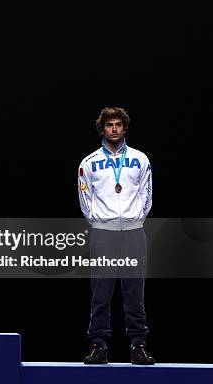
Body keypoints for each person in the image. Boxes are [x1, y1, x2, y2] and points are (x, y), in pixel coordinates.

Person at [78, 107, 155, 365]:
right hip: (104, 234)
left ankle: (138, 346)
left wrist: (135, 220)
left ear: (124, 128)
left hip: (134, 233)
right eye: (109, 125)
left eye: (118, 125)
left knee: (135, 293)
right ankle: (98, 346)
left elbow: (147, 194)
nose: (114, 129)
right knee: (101, 293)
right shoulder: (88, 163)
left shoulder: (140, 159)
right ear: (103, 128)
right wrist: (102, 223)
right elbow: (85, 199)